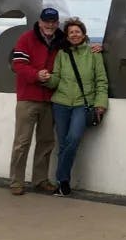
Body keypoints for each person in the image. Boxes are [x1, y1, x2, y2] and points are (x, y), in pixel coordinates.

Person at [7, 7, 102, 196]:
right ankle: (16, 181)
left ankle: (40, 180)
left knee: (46, 141)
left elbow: (79, 47)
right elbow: (17, 65)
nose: (49, 25)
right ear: (40, 22)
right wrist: (36, 74)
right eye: (46, 21)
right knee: (22, 142)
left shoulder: (61, 40)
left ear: (57, 23)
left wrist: (101, 46)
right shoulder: (26, 39)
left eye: (53, 21)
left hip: (50, 99)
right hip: (28, 98)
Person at [43, 17, 108, 196]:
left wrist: (101, 103)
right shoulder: (62, 54)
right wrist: (47, 79)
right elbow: (56, 78)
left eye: (77, 31)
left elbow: (101, 81)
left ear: (84, 34)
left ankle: (60, 178)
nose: (74, 34)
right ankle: (63, 183)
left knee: (72, 139)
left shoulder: (94, 53)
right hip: (60, 103)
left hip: (83, 104)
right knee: (63, 144)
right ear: (67, 35)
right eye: (71, 32)